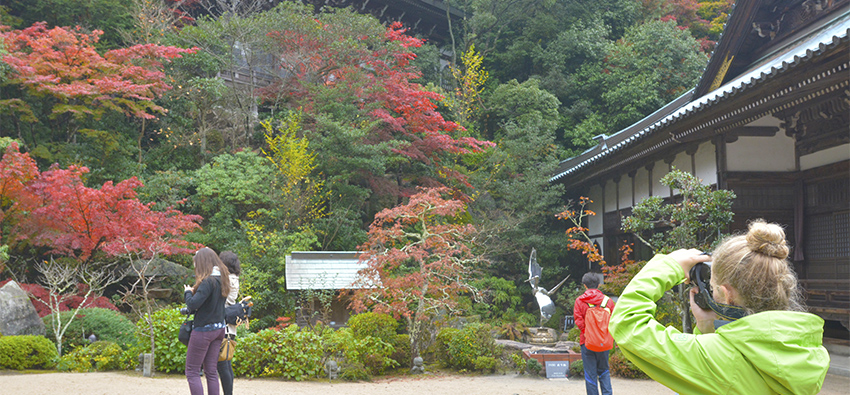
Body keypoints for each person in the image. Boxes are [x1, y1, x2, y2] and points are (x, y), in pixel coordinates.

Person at [610, 219, 829, 394]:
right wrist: (707, 328)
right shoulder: (808, 353)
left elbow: (627, 324)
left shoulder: (716, 359)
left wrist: (669, 265)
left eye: (713, 286)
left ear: (725, 294)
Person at [184, 247, 231, 395]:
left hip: (204, 330)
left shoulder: (207, 282)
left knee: (192, 371)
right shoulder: (222, 278)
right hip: (219, 329)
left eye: (196, 263)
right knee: (211, 371)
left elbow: (192, 304)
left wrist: (187, 292)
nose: (195, 266)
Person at [574, 272, 615, 395]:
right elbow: (614, 320)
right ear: (599, 285)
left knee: (590, 374)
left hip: (587, 342)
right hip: (603, 342)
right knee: (604, 371)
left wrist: (587, 333)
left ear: (585, 285)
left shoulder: (580, 301)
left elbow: (578, 320)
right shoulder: (608, 301)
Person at [217, 251, 241, 395]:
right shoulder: (235, 278)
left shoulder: (227, 279)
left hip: (223, 325)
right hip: (230, 327)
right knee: (226, 363)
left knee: (222, 364)